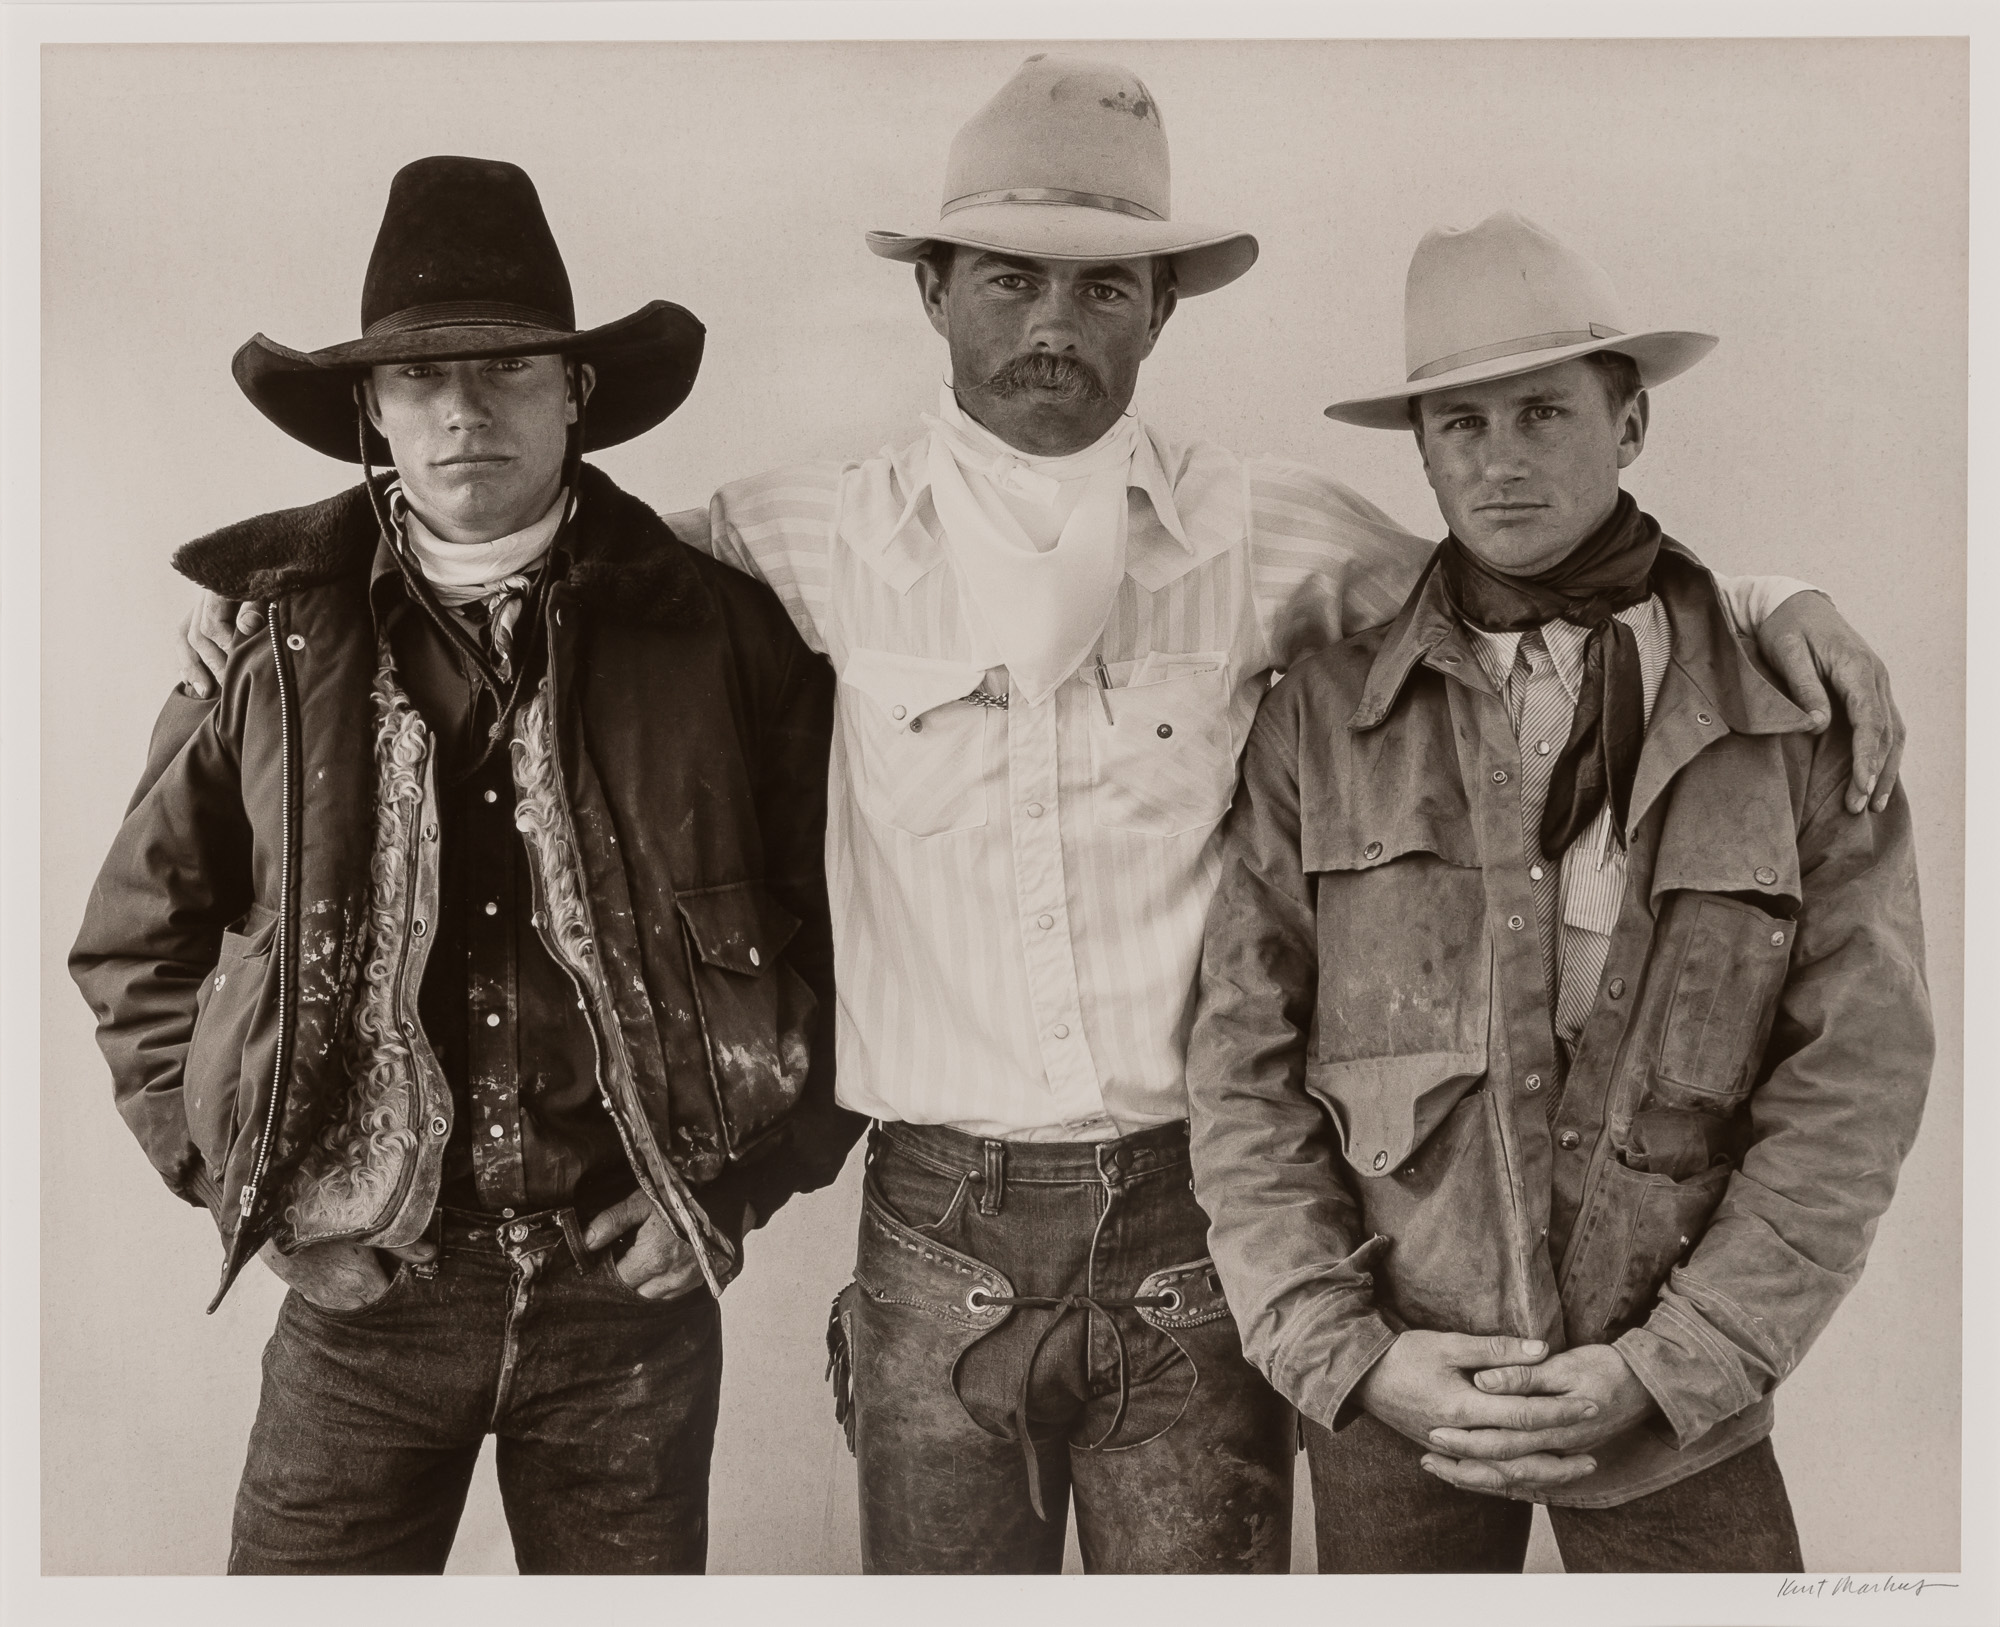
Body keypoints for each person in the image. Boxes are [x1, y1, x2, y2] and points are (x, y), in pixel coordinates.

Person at [179, 61, 1904, 1574]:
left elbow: (1520, 579)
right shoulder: (802, 535)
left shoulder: (1283, 541)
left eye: (1104, 288)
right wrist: (273, 594)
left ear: (1164, 310)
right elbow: (522, 548)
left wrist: (1755, 593)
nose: (1055, 327)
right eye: (1009, 280)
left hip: (1194, 1223)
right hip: (933, 1218)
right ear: (933, 292)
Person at [71, 155, 858, 1574]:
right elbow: (136, 946)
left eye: (505, 365)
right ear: (371, 411)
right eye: (419, 376)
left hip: (628, 1293)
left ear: (578, 393)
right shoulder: (270, 642)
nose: (463, 408)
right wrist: (245, 1191)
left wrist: (734, 1194)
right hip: (365, 1297)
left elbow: (853, 928)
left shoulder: (723, 632)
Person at [1184, 211, 1932, 1572]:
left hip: (1677, 1405)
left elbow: (1858, 1079)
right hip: (1401, 1395)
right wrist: (1349, 1353)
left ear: (1630, 423)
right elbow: (1244, 1064)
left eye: (1543, 412)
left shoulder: (1791, 716)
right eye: (1460, 425)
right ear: (1419, 450)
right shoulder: (1323, 719)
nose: (1502, 460)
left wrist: (1680, 1360)